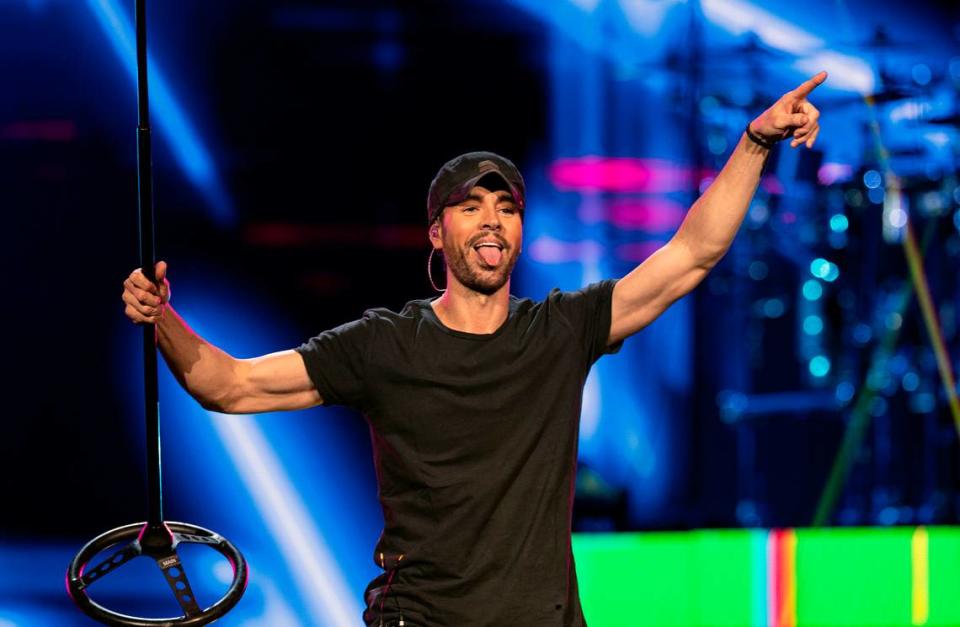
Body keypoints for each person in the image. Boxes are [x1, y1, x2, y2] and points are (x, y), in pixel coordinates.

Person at [122, 72, 826, 626]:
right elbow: (232, 385)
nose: (492, 219)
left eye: (507, 206)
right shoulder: (384, 344)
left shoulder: (560, 330)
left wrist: (755, 142)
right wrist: (165, 321)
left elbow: (693, 253)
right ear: (437, 233)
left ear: (519, 232)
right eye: (471, 205)